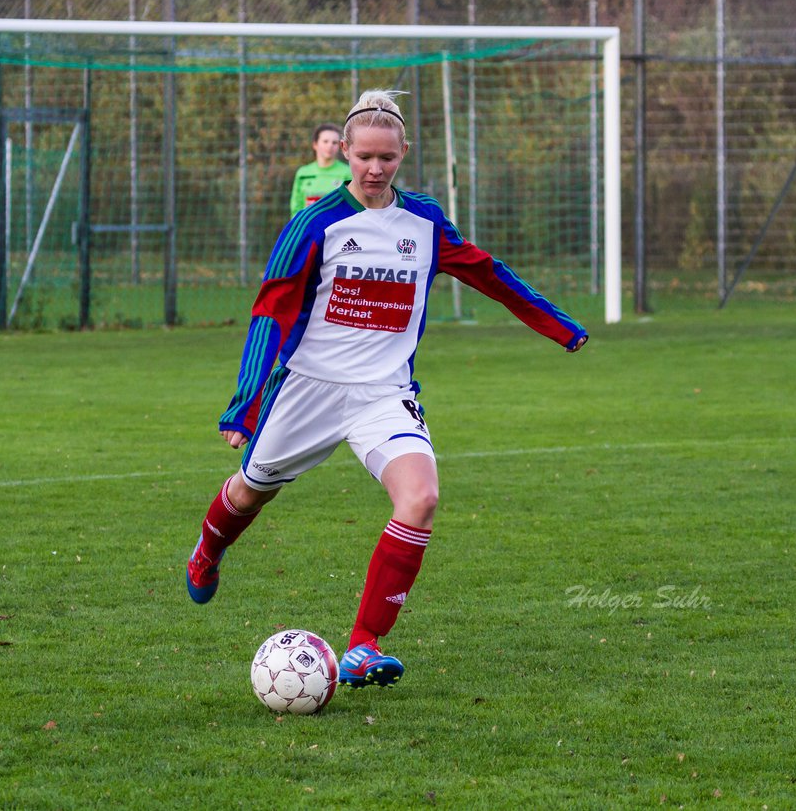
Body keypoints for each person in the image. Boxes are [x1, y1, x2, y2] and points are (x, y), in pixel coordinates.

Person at [186, 89, 588, 690]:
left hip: (384, 392)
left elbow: (488, 272)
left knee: (420, 498)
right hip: (307, 390)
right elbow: (270, 313)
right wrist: (244, 403)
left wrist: (558, 326)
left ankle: (363, 646)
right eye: (364, 157)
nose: (375, 169)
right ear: (344, 152)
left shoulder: (423, 220)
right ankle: (207, 553)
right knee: (249, 492)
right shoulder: (315, 224)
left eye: (387, 158)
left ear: (405, 153)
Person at [289, 123, 352, 215]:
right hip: (309, 227)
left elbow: (351, 206)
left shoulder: (347, 173)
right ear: (315, 144)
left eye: (334, 142)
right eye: (325, 141)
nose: (330, 146)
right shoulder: (303, 173)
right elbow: (296, 207)